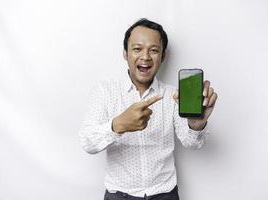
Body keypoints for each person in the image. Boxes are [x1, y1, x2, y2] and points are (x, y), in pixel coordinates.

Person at [79, 18, 218, 200]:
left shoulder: (173, 95)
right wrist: (118, 125)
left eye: (154, 50)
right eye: (137, 49)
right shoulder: (104, 92)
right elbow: (87, 143)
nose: (145, 57)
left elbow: (192, 143)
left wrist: (196, 124)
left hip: (165, 194)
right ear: (125, 53)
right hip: (119, 196)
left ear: (163, 56)